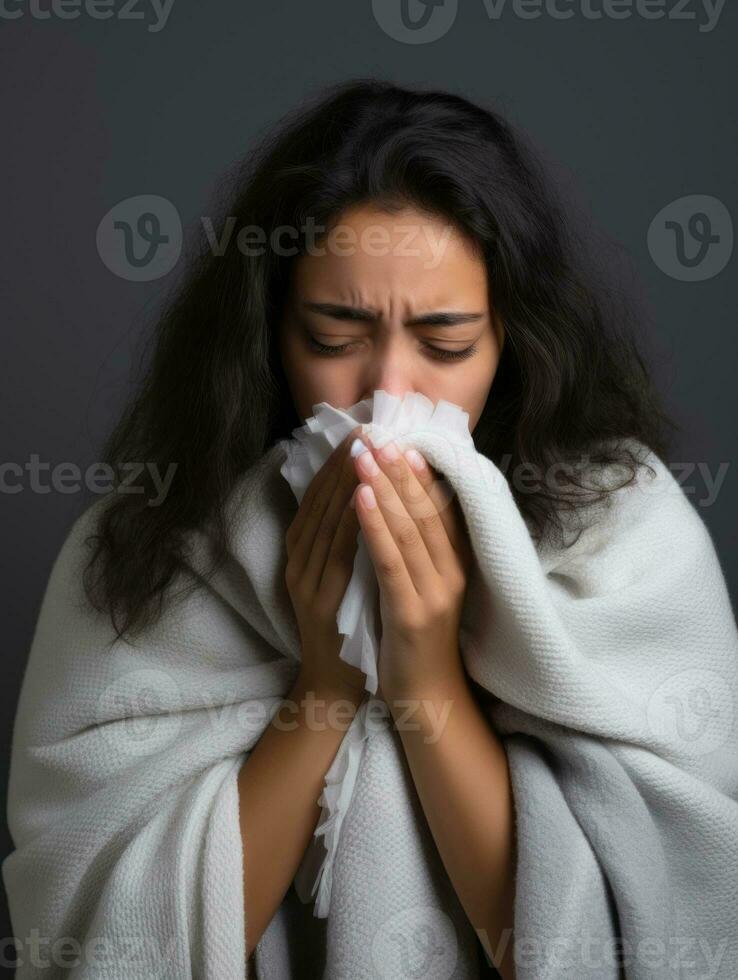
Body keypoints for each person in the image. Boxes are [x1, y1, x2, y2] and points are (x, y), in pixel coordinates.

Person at [7, 78, 695, 980]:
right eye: (334, 336)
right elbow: (104, 942)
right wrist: (327, 687)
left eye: (446, 346)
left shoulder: (621, 532)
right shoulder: (141, 554)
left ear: (515, 346)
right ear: (268, 337)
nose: (388, 399)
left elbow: (626, 940)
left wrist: (427, 678)